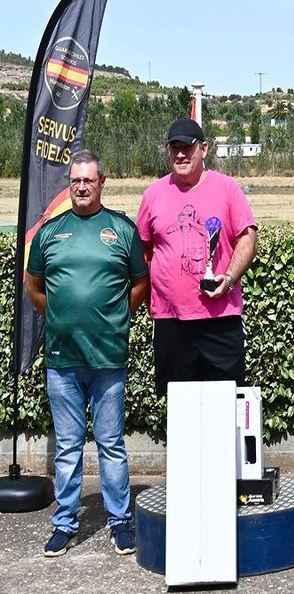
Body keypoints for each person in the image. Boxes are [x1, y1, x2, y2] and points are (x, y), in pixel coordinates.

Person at [24, 150, 149, 557]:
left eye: (88, 180)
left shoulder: (122, 230)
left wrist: (112, 319)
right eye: (75, 180)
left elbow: (139, 285)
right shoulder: (49, 231)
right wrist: (59, 316)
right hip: (62, 359)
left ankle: (119, 521)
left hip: (108, 358)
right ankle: (65, 523)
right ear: (69, 184)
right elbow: (33, 286)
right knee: (68, 447)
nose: (81, 187)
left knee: (111, 444)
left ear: (102, 182)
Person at [136, 119, 258, 393]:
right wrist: (151, 300)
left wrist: (229, 277)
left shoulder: (227, 189)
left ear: (204, 149)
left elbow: (247, 237)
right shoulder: (153, 194)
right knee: (180, 412)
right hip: (171, 323)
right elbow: (142, 251)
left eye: (187, 148)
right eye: (174, 148)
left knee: (226, 407)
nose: (180, 154)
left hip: (220, 321)